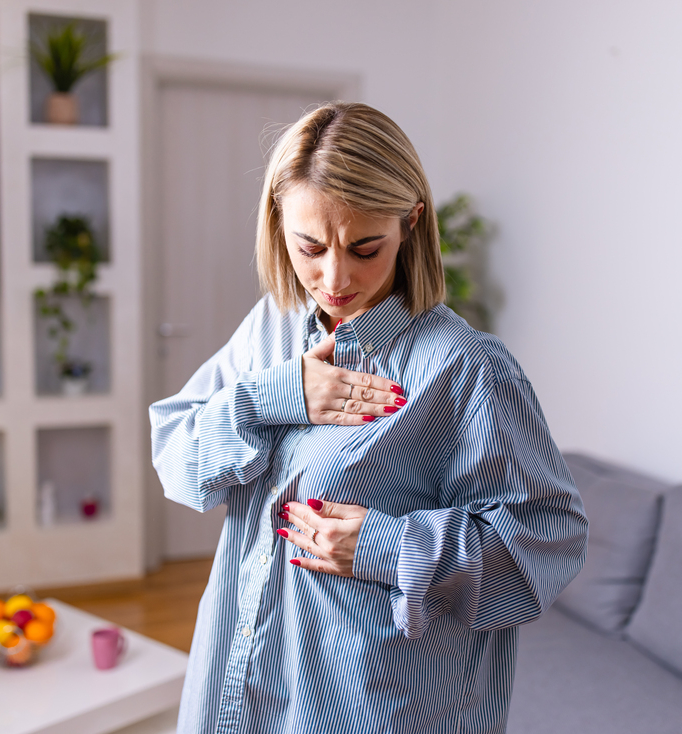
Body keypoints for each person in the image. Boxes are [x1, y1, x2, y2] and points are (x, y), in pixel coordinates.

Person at [150, 102, 587, 734]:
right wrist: (274, 395)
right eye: (310, 247)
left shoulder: (466, 370)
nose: (334, 278)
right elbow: (178, 464)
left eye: (364, 247)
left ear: (410, 223)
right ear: (279, 223)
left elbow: (549, 546)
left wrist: (387, 547)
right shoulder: (270, 330)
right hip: (235, 695)